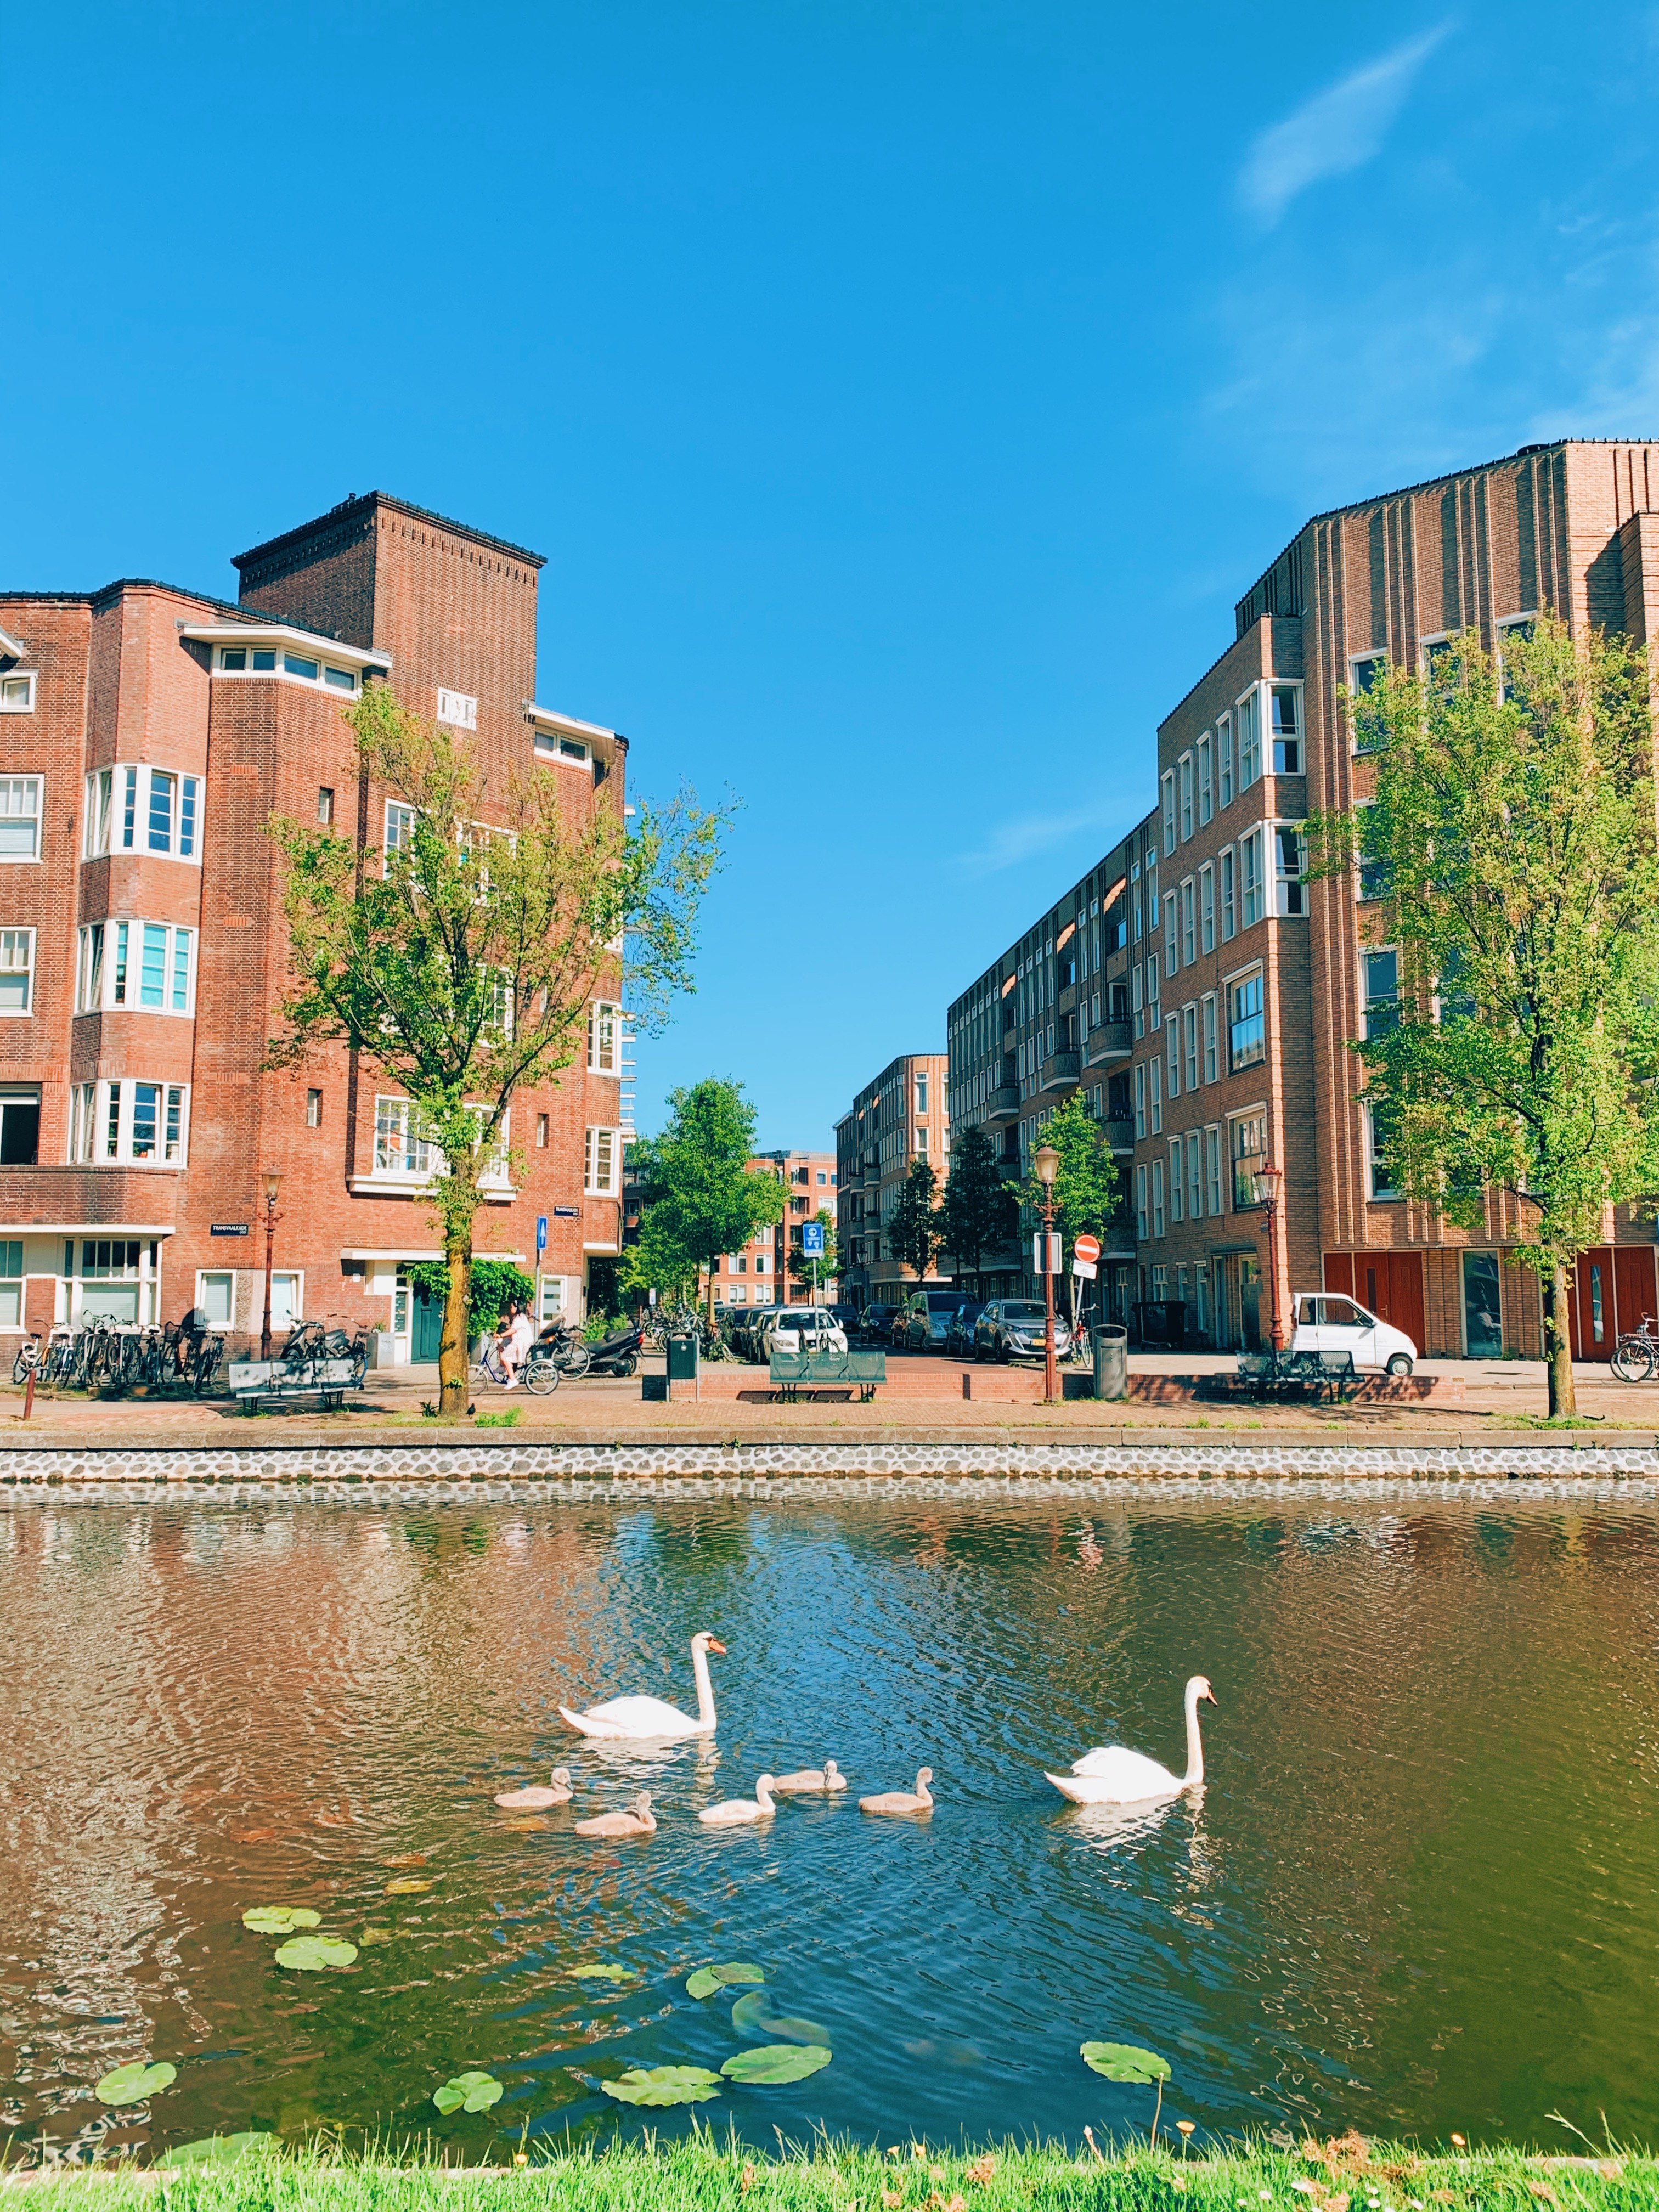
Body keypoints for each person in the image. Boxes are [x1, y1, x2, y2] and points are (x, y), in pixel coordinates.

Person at [502, 1300, 535, 1389]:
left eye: (512, 1307)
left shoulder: (519, 1318)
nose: (511, 1308)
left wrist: (501, 1335)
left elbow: (513, 1330)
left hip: (521, 1341)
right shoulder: (519, 1317)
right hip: (519, 1340)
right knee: (502, 1344)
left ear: (517, 1308)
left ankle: (513, 1380)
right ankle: (504, 1367)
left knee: (505, 1357)